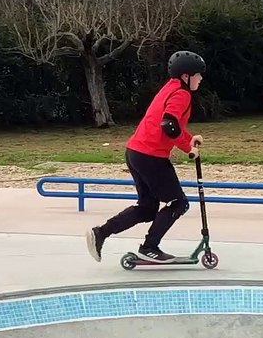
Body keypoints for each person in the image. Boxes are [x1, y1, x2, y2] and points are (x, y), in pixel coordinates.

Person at [85, 50, 206, 263]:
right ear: (186, 76)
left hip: (135, 152)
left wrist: (188, 139)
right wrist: (187, 148)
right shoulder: (182, 94)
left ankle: (100, 233)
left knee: (148, 208)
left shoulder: (171, 88)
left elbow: (169, 123)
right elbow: (168, 125)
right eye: (198, 74)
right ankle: (150, 247)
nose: (201, 79)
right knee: (179, 203)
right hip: (151, 156)